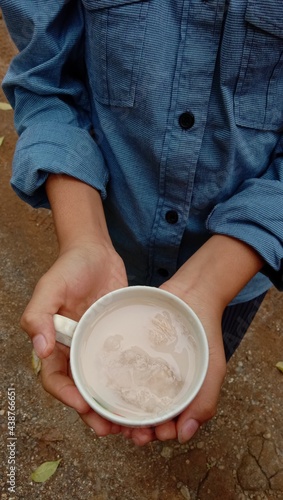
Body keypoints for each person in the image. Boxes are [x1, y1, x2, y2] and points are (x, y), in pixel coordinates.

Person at [1, 0, 282, 446]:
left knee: (215, 347)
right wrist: (84, 239)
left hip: (238, 277)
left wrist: (213, 283)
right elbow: (45, 78)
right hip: (116, 233)